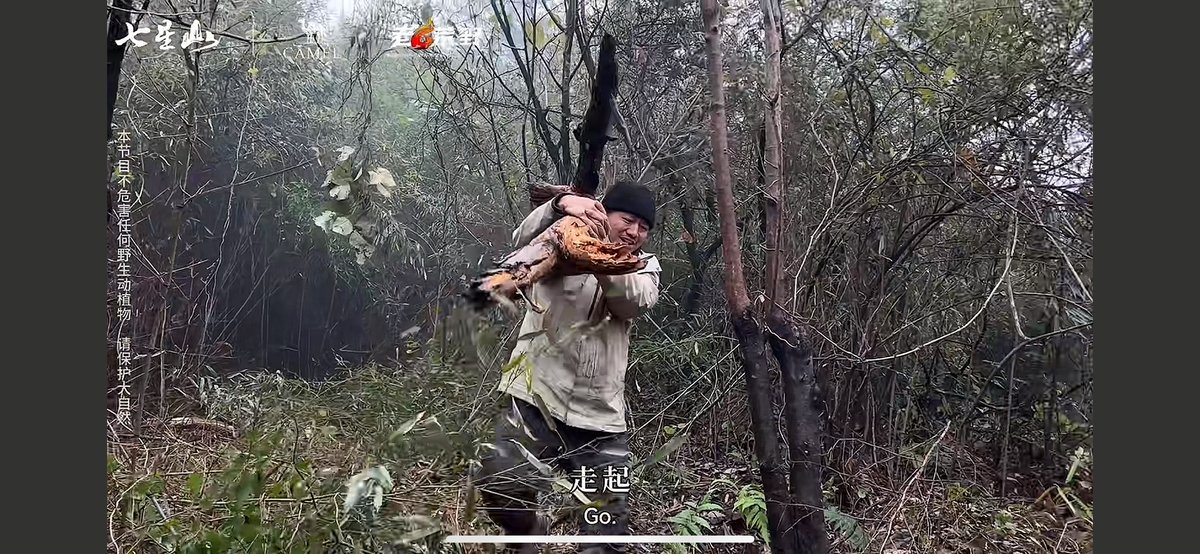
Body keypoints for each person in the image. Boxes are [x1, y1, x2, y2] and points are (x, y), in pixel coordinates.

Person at [475, 181, 661, 554]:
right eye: (628, 220)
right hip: (536, 395)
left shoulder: (643, 265)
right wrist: (561, 203)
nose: (634, 233)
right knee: (500, 486)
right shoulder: (559, 238)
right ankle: (531, 531)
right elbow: (523, 236)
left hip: (600, 420)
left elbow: (633, 303)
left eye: (643, 227)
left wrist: (598, 257)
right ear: (603, 213)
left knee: (605, 536)